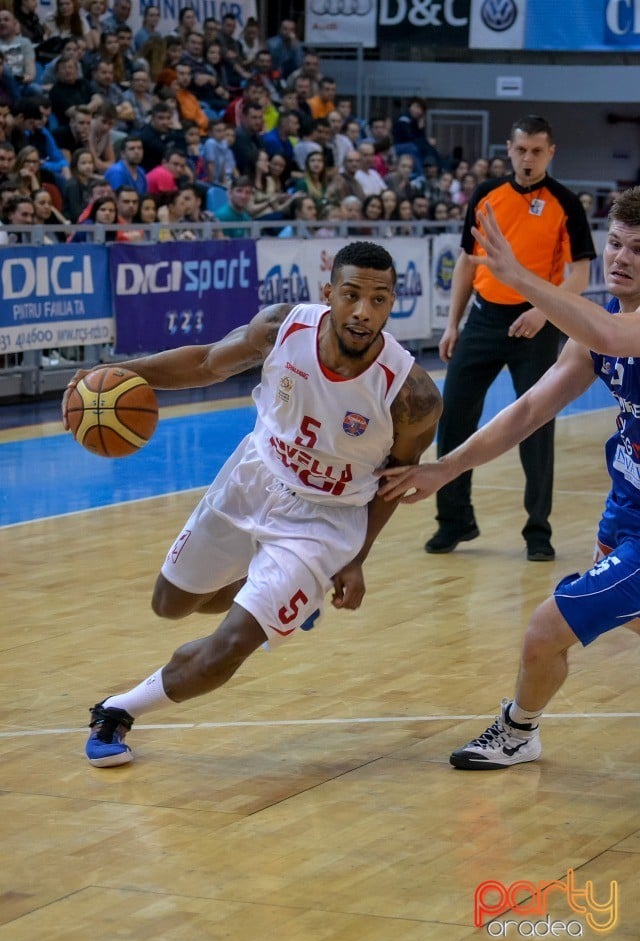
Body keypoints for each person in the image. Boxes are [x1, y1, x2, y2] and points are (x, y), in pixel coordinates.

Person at [61, 240, 442, 767]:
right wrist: (117, 376)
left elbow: (394, 483)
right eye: (351, 295)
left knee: (231, 644)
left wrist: (355, 557)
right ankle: (271, 587)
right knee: (170, 604)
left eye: (378, 300)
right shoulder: (282, 328)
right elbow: (206, 363)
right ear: (328, 293)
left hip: (324, 523)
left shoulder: (411, 394)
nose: (363, 311)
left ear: (392, 302)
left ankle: (116, 710)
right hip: (254, 478)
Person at [378, 186, 640, 769]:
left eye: (638, 249)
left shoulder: (612, 333)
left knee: (547, 629)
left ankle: (518, 730)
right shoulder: (598, 334)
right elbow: (526, 412)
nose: (620, 258)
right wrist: (445, 469)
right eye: (616, 244)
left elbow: (615, 338)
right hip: (627, 508)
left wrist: (519, 278)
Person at [425, 115, 596, 562]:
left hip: (534, 327)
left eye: (537, 151)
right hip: (482, 321)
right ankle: (454, 520)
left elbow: (581, 274)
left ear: (550, 152)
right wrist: (452, 323)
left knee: (536, 426)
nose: (528, 158)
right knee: (454, 416)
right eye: (521, 150)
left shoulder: (565, 204)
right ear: (509, 149)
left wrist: (544, 310)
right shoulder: (486, 196)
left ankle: (538, 530)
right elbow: (467, 261)